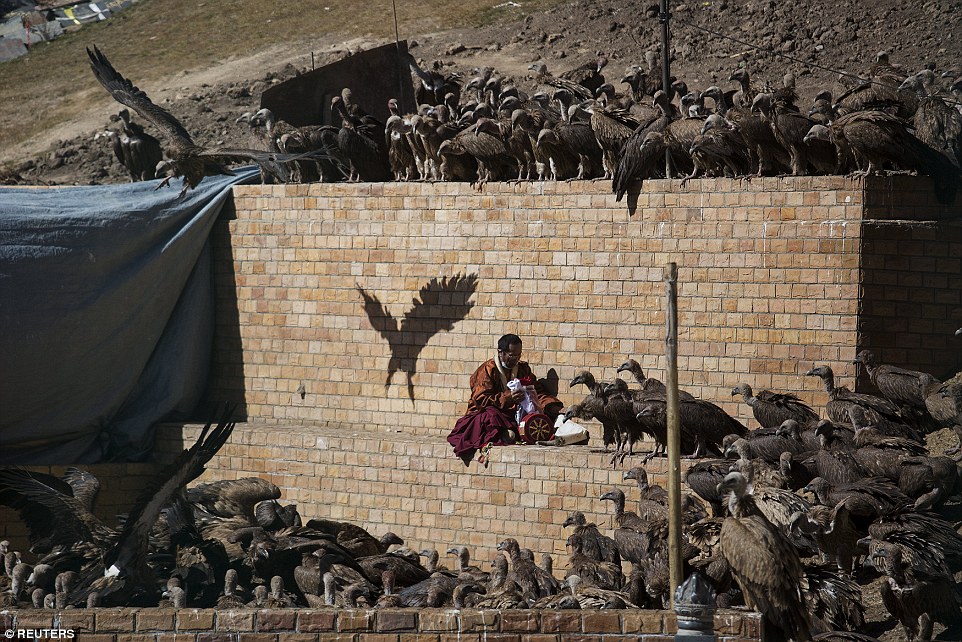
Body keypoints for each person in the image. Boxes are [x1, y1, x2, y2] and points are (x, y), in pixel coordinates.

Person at [447, 334, 563, 465]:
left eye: (518, 355)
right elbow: (480, 400)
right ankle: (504, 433)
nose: (516, 359)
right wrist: (508, 398)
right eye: (512, 355)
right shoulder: (487, 370)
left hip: (515, 414)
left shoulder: (523, 368)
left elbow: (536, 392)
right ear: (500, 352)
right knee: (489, 416)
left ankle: (511, 432)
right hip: (490, 412)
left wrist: (552, 406)